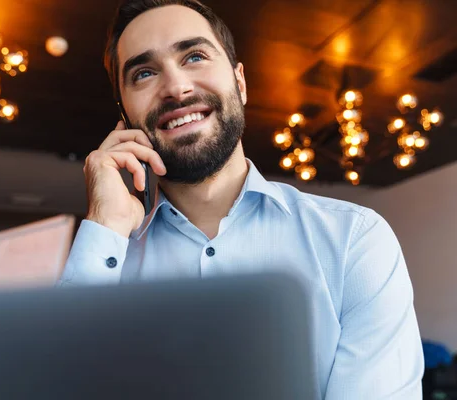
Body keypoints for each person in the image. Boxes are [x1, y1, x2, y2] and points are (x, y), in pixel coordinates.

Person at [58, 0, 424, 398]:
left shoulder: (354, 238)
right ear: (125, 115)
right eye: (144, 73)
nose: (176, 87)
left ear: (241, 82)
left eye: (195, 56)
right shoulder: (107, 257)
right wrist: (103, 226)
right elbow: (52, 385)